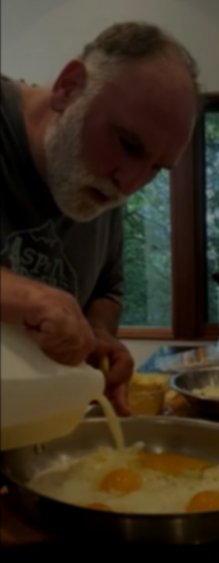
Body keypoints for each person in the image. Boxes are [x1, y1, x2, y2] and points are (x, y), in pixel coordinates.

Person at [1, 22, 200, 414]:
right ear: (68, 86)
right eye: (127, 144)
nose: (129, 184)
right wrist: (29, 298)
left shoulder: (102, 181)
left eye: (156, 168)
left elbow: (107, 289)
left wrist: (96, 335)